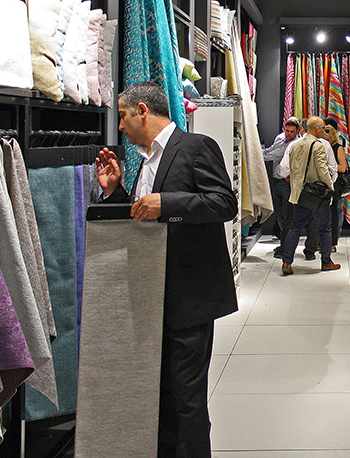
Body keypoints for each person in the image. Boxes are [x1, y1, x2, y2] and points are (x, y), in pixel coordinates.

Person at [95, 81, 237, 457]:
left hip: (189, 298)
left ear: (143, 111)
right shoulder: (146, 161)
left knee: (188, 399)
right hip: (152, 295)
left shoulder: (196, 147)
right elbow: (145, 219)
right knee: (160, 394)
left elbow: (224, 203)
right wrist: (115, 192)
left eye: (122, 116)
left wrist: (168, 203)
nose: (120, 127)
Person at [280, 116, 339, 275]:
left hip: (299, 193)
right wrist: (330, 186)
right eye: (323, 128)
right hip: (317, 194)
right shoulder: (320, 145)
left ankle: (287, 262)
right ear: (317, 129)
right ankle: (326, 262)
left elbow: (284, 169)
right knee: (324, 228)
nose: (324, 131)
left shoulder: (293, 145)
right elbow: (323, 170)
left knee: (295, 227)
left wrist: (293, 177)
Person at [262, 117, 300, 238]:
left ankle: (287, 240)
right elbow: (270, 150)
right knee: (278, 211)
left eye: (292, 131)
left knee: (287, 213)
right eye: (287, 130)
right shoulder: (280, 139)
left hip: (288, 182)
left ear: (297, 131)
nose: (288, 133)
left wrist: (256, 154)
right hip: (276, 180)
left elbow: (273, 155)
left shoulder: (296, 144)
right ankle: (284, 239)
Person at [323, 117, 348, 251]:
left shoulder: (338, 148)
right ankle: (322, 241)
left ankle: (332, 242)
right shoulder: (321, 148)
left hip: (334, 184)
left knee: (334, 213)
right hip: (322, 183)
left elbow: (343, 168)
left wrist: (328, 166)